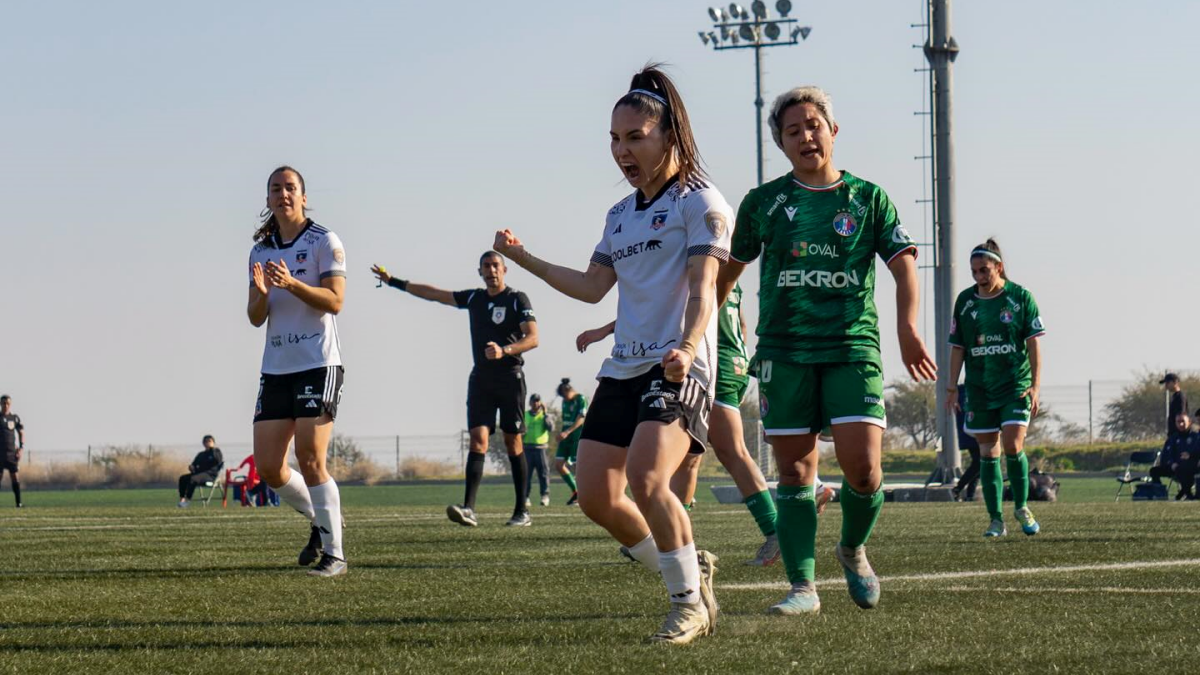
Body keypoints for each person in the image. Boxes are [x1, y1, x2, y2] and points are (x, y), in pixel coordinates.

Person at [493, 65, 725, 644]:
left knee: (649, 480)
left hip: (678, 364)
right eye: (614, 141)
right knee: (597, 496)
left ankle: (686, 605)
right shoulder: (619, 216)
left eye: (634, 138)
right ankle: (691, 572)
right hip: (624, 365)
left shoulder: (702, 202)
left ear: (669, 136)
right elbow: (593, 286)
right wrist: (524, 259)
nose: (622, 151)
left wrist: (687, 346)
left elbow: (704, 289)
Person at [719, 86, 937, 616]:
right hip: (784, 351)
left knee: (864, 471)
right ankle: (802, 589)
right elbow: (726, 272)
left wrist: (908, 329)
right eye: (793, 131)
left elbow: (904, 263)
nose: (805, 136)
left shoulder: (867, 198)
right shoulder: (763, 203)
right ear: (782, 144)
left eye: (813, 125)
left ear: (833, 131)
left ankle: (852, 548)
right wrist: (695, 328)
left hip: (851, 347)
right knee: (794, 473)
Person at [576, 288, 833, 568]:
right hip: (731, 358)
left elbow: (672, 308)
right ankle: (668, 535)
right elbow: (741, 323)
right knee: (690, 457)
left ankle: (775, 532)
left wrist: (606, 329)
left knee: (731, 450)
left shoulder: (701, 257)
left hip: (711, 359)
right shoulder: (726, 265)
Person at [372, 251, 538, 528]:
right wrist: (394, 282)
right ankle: (469, 508)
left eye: (496, 265)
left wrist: (505, 350)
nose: (491, 270)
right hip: (481, 379)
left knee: (513, 442)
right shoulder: (474, 298)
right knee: (477, 439)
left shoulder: (517, 299)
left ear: (505, 269)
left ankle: (522, 510)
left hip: (510, 378)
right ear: (480, 271)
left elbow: (533, 338)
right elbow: (435, 294)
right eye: (486, 266)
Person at [248, 165, 348, 577]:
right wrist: (262, 292)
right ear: (268, 199)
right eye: (276, 189)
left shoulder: (324, 240)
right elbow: (255, 317)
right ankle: (322, 520)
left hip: (317, 363)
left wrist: (292, 284)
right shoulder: (260, 250)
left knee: (309, 457)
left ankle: (335, 555)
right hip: (277, 367)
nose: (283, 194)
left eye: (290, 188)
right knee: (269, 466)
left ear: (303, 197)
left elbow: (335, 300)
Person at [947, 239, 1045, 539]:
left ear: (998, 267)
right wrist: (951, 387)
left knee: (1014, 445)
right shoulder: (965, 302)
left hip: (1015, 385)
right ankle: (995, 520)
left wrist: (1035, 386)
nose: (979, 277)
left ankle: (1022, 507)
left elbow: (1034, 344)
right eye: (974, 272)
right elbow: (957, 347)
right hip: (979, 388)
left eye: (984, 270)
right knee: (988, 452)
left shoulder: (1020, 297)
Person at [555, 378, 587, 506]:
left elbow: (581, 418)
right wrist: (562, 433)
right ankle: (575, 492)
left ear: (569, 391)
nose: (564, 398)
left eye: (564, 395)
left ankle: (583, 494)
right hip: (565, 436)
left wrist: (568, 432)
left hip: (576, 436)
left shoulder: (581, 399)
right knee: (558, 464)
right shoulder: (564, 402)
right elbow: (565, 419)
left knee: (576, 466)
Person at [950, 386, 982, 502]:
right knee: (979, 462)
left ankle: (969, 495)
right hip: (973, 430)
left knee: (978, 463)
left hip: (969, 430)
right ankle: (958, 488)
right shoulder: (967, 392)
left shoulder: (961, 392)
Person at [523, 393, 553, 507]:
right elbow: (518, 425)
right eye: (534, 401)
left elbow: (550, 427)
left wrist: (546, 414)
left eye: (538, 401)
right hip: (527, 448)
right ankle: (525, 497)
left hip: (541, 449)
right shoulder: (525, 415)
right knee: (526, 474)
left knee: (543, 473)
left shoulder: (544, 415)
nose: (536, 403)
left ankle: (545, 496)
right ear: (530, 403)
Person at [177, 435, 224, 507]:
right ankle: (182, 499)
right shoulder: (201, 454)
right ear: (203, 443)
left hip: (210, 475)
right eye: (206, 441)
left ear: (213, 442)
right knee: (183, 478)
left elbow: (219, 460)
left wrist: (212, 449)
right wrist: (191, 467)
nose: (207, 443)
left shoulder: (216, 451)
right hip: (199, 474)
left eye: (209, 441)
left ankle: (188, 500)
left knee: (193, 479)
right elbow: (193, 464)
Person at [0, 395, 25, 508]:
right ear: (0, 404)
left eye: (7, 403)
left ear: (10, 404)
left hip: (11, 454)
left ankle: (18, 503)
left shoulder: (14, 418)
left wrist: (21, 448)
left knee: (15, 477)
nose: (5, 405)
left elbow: (21, 432)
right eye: (3, 403)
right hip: (0, 454)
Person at [1161, 373, 1188, 439]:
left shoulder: (1180, 397)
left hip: (1178, 434)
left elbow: (1181, 416)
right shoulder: (1175, 396)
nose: (1166, 385)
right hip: (1173, 433)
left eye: (1168, 383)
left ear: (1175, 382)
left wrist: (1178, 432)